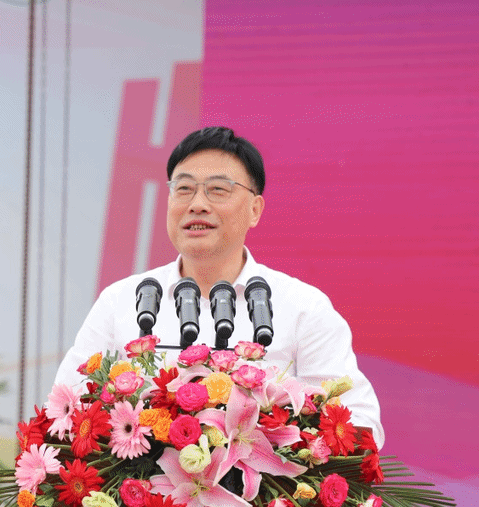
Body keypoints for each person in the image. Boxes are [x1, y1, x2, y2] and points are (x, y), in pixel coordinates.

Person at [53, 126, 383, 444]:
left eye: (218, 190)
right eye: (184, 189)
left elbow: (359, 423)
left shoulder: (301, 308)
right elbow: (62, 413)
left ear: (255, 210)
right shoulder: (121, 302)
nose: (197, 204)